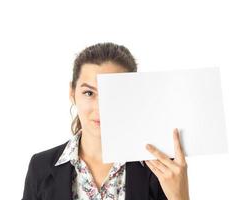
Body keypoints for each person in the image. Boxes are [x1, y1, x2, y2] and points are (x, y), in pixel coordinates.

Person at [21, 42, 190, 200]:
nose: (100, 108)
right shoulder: (40, 167)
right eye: (89, 93)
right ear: (72, 93)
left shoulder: (162, 170)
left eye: (114, 94)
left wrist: (180, 196)